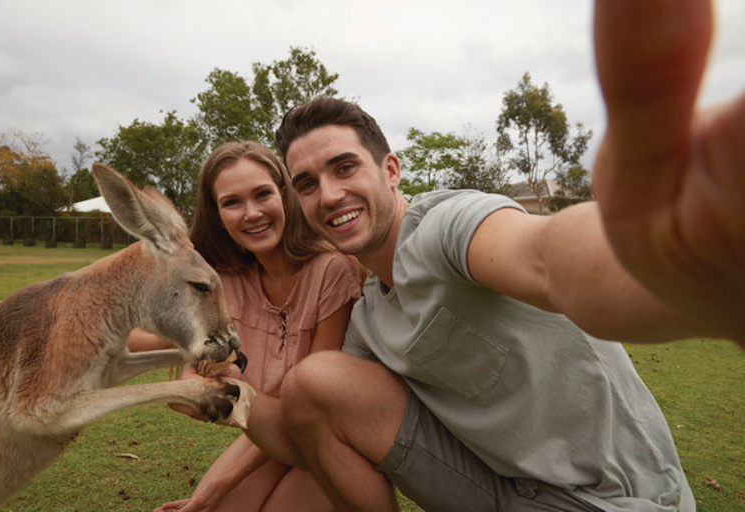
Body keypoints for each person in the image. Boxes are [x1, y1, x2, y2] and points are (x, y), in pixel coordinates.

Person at [248, 3, 744, 511]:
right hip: (498, 497)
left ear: (391, 170)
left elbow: (545, 258)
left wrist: (658, 261)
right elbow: (307, 430)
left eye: (344, 167)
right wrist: (225, 398)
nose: (328, 195)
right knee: (314, 385)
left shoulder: (445, 226)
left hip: (614, 499)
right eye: (307, 184)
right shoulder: (370, 317)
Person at [147, 141, 363, 511]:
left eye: (262, 194)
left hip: (330, 442)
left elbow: (304, 412)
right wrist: (193, 381)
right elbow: (187, 357)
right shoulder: (228, 281)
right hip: (272, 441)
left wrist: (216, 487)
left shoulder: (331, 271)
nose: (251, 213)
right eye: (232, 202)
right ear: (216, 213)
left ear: (285, 195)